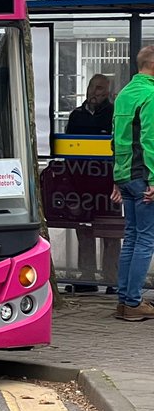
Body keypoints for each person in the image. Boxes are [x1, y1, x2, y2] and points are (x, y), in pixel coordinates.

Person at [110, 46, 154, 321]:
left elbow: (116, 139)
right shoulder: (151, 94)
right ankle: (134, 302)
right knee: (146, 239)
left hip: (125, 176)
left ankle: (125, 300)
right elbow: (150, 140)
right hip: (144, 177)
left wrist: (117, 178)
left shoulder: (124, 94)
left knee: (132, 238)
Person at [65, 74, 119, 292]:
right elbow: (68, 148)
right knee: (84, 229)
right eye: (92, 87)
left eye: (99, 89)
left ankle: (112, 278)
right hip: (81, 180)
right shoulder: (76, 115)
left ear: (108, 92)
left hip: (108, 182)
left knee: (111, 232)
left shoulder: (114, 114)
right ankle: (87, 277)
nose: (94, 92)